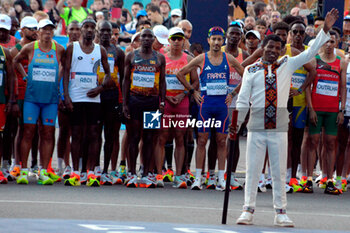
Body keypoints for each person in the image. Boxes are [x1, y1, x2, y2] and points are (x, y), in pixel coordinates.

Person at [234, 8, 338, 227]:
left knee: (279, 171)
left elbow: (310, 54)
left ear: (282, 50)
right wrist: (235, 125)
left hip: (279, 128)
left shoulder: (286, 64)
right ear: (263, 48)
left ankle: (280, 212)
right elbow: (243, 100)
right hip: (256, 127)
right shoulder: (251, 70)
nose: (273, 51)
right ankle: (248, 210)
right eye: (269, 47)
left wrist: (325, 29)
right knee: (252, 170)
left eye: (277, 48)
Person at [176, 26, 244, 191]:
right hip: (205, 106)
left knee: (221, 141)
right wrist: (193, 92)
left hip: (222, 105)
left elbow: (246, 75)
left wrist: (234, 92)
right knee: (201, 141)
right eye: (213, 39)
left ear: (223, 41)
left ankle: (221, 178)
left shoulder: (229, 58)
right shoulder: (201, 58)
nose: (216, 42)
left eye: (219, 39)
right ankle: (199, 178)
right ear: (208, 40)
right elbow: (180, 73)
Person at [14, 19, 65, 185]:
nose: (48, 32)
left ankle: (43, 170)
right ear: (38, 31)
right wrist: (24, 76)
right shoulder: (31, 48)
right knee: (28, 132)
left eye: (51, 30)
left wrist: (58, 79)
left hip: (50, 100)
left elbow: (66, 65)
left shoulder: (59, 49)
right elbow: (15, 61)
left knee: (48, 133)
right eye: (45, 29)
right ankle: (23, 170)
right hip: (32, 99)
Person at [63, 18, 111, 187]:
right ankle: (76, 171)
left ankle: (90, 172)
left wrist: (100, 89)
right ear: (82, 29)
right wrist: (66, 96)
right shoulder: (72, 48)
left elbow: (108, 74)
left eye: (92, 27)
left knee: (93, 135)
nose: (89, 30)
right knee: (76, 135)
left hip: (93, 99)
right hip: (76, 97)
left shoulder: (100, 50)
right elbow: (66, 72)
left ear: (95, 31)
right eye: (86, 27)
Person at [123, 28, 166, 188]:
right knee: (133, 138)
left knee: (149, 139)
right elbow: (126, 80)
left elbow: (162, 81)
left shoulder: (160, 58)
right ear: (140, 39)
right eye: (144, 36)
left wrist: (162, 103)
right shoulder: (131, 56)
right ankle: (132, 173)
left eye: (150, 36)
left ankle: (147, 174)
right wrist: (125, 104)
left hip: (153, 102)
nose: (147, 39)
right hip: (135, 101)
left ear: (154, 39)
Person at [155, 27, 198, 188]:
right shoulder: (162, 58)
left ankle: (179, 176)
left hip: (182, 102)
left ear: (184, 41)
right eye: (174, 38)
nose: (177, 42)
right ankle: (159, 174)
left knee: (180, 138)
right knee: (162, 137)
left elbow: (195, 82)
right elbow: (157, 81)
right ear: (169, 40)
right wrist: (165, 96)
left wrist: (183, 95)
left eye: (180, 39)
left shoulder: (188, 59)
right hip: (166, 102)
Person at [307, 30, 347, 195]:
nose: (329, 45)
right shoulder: (314, 60)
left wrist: (341, 109)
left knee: (330, 143)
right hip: (316, 108)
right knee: (313, 141)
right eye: (326, 41)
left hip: (332, 110)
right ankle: (308, 179)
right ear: (321, 43)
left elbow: (343, 87)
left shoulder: (341, 62)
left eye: (332, 42)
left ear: (336, 43)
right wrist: (311, 109)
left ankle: (329, 179)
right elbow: (308, 87)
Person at [9, 16, 39, 179]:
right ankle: (16, 163)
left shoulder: (39, 47)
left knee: (34, 130)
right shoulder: (15, 49)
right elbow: (13, 72)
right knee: (20, 129)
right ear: (22, 30)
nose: (35, 31)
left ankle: (34, 163)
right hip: (20, 93)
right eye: (31, 28)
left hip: (35, 93)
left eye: (36, 28)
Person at [96, 20, 125, 185]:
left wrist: (122, 102)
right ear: (98, 32)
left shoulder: (118, 52)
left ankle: (106, 170)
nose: (106, 34)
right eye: (103, 31)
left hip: (112, 97)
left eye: (110, 31)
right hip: (94, 98)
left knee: (110, 135)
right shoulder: (91, 49)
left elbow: (124, 80)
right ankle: (93, 168)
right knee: (94, 135)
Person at [57, 20, 80, 179]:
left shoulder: (87, 49)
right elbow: (59, 73)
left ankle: (77, 165)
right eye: (71, 29)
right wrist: (60, 95)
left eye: (78, 29)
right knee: (64, 132)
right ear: (67, 32)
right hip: (64, 96)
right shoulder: (63, 50)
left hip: (80, 97)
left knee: (79, 133)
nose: (75, 32)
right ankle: (63, 166)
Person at [0, 45, 17, 184]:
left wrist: (11, 99)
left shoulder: (5, 52)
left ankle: (1, 169)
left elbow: (12, 77)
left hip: (1, 101)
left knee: (1, 136)